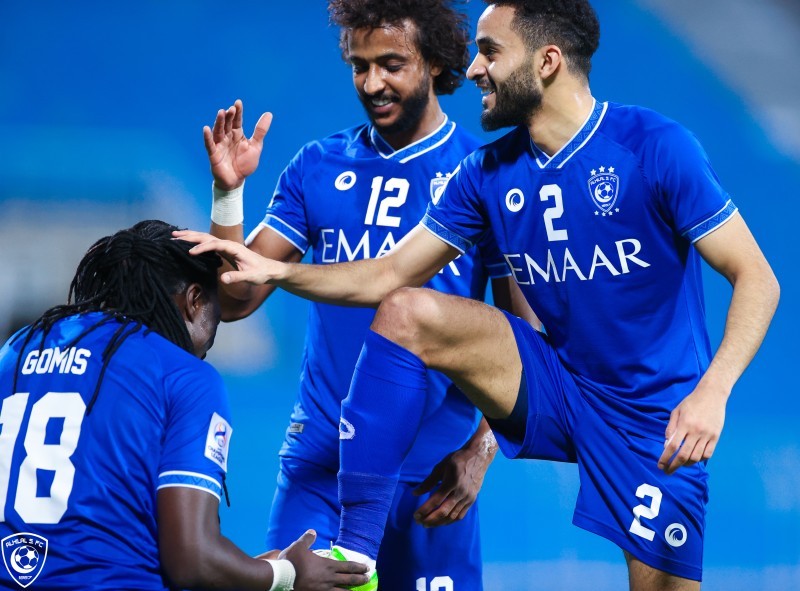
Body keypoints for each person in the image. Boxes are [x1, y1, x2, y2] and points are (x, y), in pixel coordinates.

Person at [181, 0, 781, 589]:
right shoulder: (480, 173)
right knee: (405, 309)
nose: (474, 69)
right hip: (483, 408)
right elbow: (386, 276)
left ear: (546, 61)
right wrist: (266, 256)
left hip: (642, 419)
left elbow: (756, 277)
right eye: (359, 66)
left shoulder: (652, 146)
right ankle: (357, 549)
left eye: (490, 53)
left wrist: (712, 392)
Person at [200, 2, 537, 590]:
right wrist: (229, 195)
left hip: (432, 480)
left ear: (435, 63)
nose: (372, 83)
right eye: (360, 66)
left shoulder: (483, 175)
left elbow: (522, 337)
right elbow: (234, 300)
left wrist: (480, 453)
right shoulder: (317, 166)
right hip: (320, 470)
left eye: (391, 65)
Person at [0, 220, 368, 591]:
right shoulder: (182, 374)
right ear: (194, 300)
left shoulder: (16, 350)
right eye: (217, 312)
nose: (211, 339)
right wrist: (289, 575)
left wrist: (258, 567)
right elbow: (192, 559)